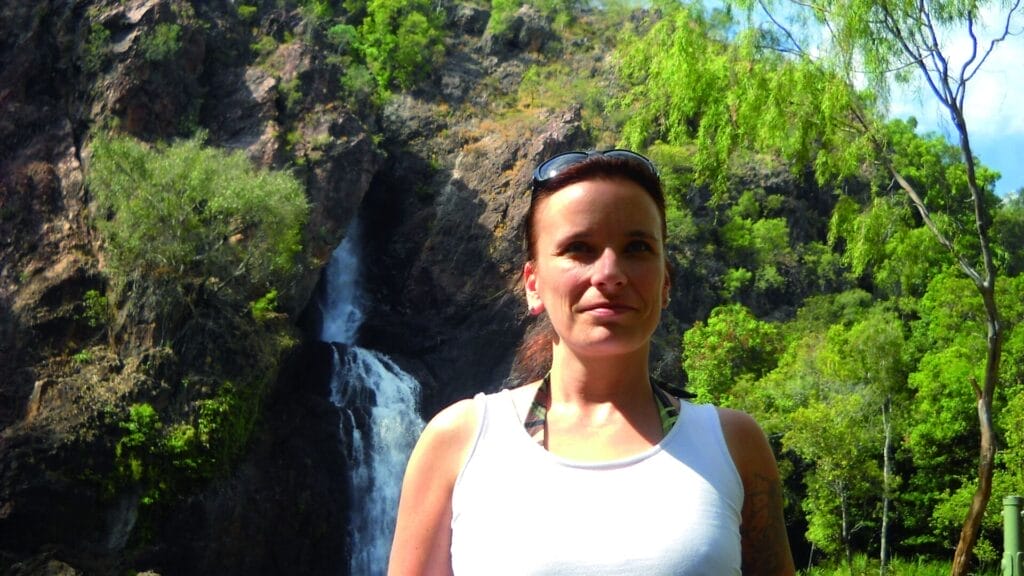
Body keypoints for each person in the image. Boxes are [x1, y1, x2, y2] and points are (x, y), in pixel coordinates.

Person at [388, 149, 795, 575]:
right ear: (533, 284)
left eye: (637, 247)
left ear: (665, 283)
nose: (609, 274)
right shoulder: (459, 442)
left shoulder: (733, 444)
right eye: (579, 248)